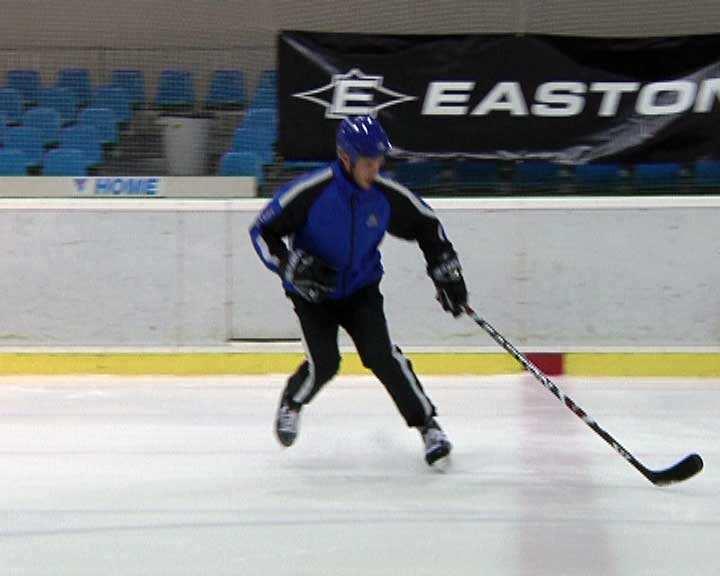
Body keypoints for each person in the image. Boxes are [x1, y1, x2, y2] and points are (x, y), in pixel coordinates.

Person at [249, 115, 468, 466]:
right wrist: (290, 265)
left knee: (382, 356)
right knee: (325, 363)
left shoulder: (385, 195)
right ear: (345, 158)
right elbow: (262, 232)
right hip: (312, 293)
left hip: (361, 289)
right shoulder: (312, 191)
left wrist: (446, 270)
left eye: (380, 160)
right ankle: (293, 401)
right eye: (368, 162)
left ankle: (428, 425)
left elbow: (427, 227)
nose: (376, 169)